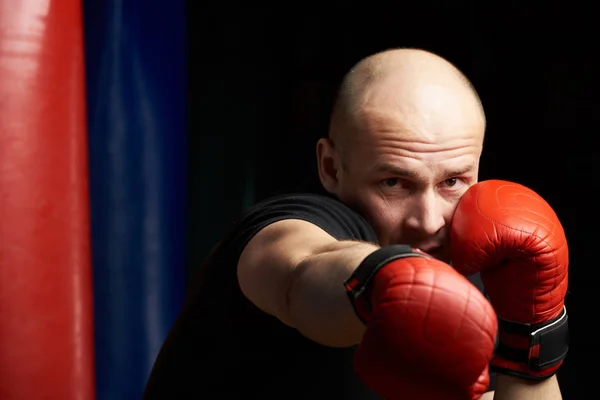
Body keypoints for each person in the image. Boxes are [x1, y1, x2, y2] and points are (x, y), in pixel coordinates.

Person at [142, 48, 569, 399]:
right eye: (394, 182)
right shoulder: (288, 227)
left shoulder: (479, 264)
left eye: (452, 181)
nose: (428, 220)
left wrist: (530, 333)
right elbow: (302, 272)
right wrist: (380, 282)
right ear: (330, 167)